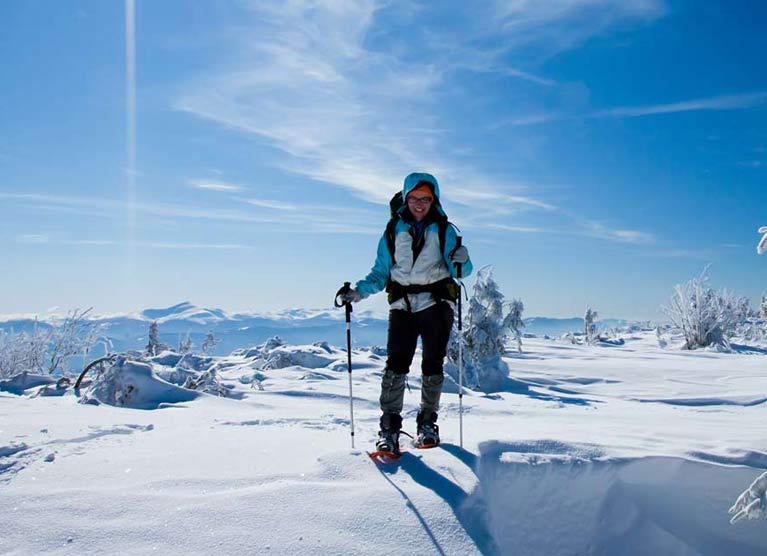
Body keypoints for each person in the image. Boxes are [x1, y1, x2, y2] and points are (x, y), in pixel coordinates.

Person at [338, 172, 472, 453]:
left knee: (433, 364)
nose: (420, 204)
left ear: (433, 199)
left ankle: (427, 424)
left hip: (436, 304)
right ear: (405, 197)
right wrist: (358, 292)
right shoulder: (392, 230)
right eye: (414, 198)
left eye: (425, 198)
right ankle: (389, 428)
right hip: (402, 305)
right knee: (396, 365)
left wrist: (464, 259)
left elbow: (460, 271)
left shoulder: (445, 230)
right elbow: (380, 272)